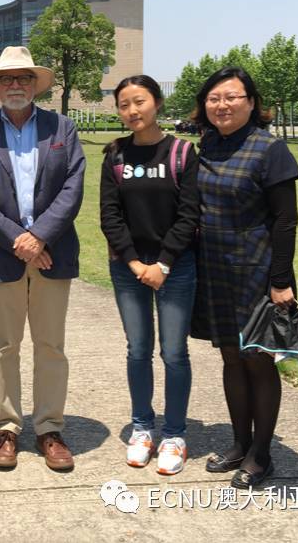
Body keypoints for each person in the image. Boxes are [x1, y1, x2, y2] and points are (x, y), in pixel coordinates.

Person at [0, 46, 85, 472]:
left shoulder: (62, 128)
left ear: (35, 84)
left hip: (53, 252)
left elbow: (73, 187)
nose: (15, 85)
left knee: (51, 346)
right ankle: (7, 427)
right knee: (5, 347)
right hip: (3, 254)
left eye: (23, 78)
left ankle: (49, 428)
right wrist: (20, 239)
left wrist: (40, 236)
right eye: (7, 78)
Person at [190, 66, 298, 489]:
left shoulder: (270, 149)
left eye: (232, 97)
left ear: (251, 103)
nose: (222, 105)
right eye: (214, 98)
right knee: (230, 358)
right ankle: (239, 442)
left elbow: (286, 220)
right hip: (215, 269)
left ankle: (261, 454)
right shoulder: (208, 144)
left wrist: (281, 281)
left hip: (258, 270)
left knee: (258, 359)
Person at [99, 75, 199, 475]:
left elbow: (189, 215)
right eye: (124, 104)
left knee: (174, 352)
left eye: (139, 101)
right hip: (129, 268)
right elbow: (110, 215)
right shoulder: (115, 154)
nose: (132, 111)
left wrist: (163, 264)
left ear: (157, 103)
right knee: (137, 349)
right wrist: (135, 263)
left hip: (175, 267)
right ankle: (142, 427)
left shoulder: (182, 153)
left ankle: (174, 434)